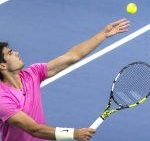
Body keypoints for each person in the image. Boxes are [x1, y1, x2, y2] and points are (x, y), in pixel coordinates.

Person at [0, 18, 130, 141]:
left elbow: (72, 56)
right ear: (3, 65)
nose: (17, 52)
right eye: (10, 53)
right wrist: (73, 134)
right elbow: (33, 129)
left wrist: (103, 34)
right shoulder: (3, 100)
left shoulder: (32, 74)